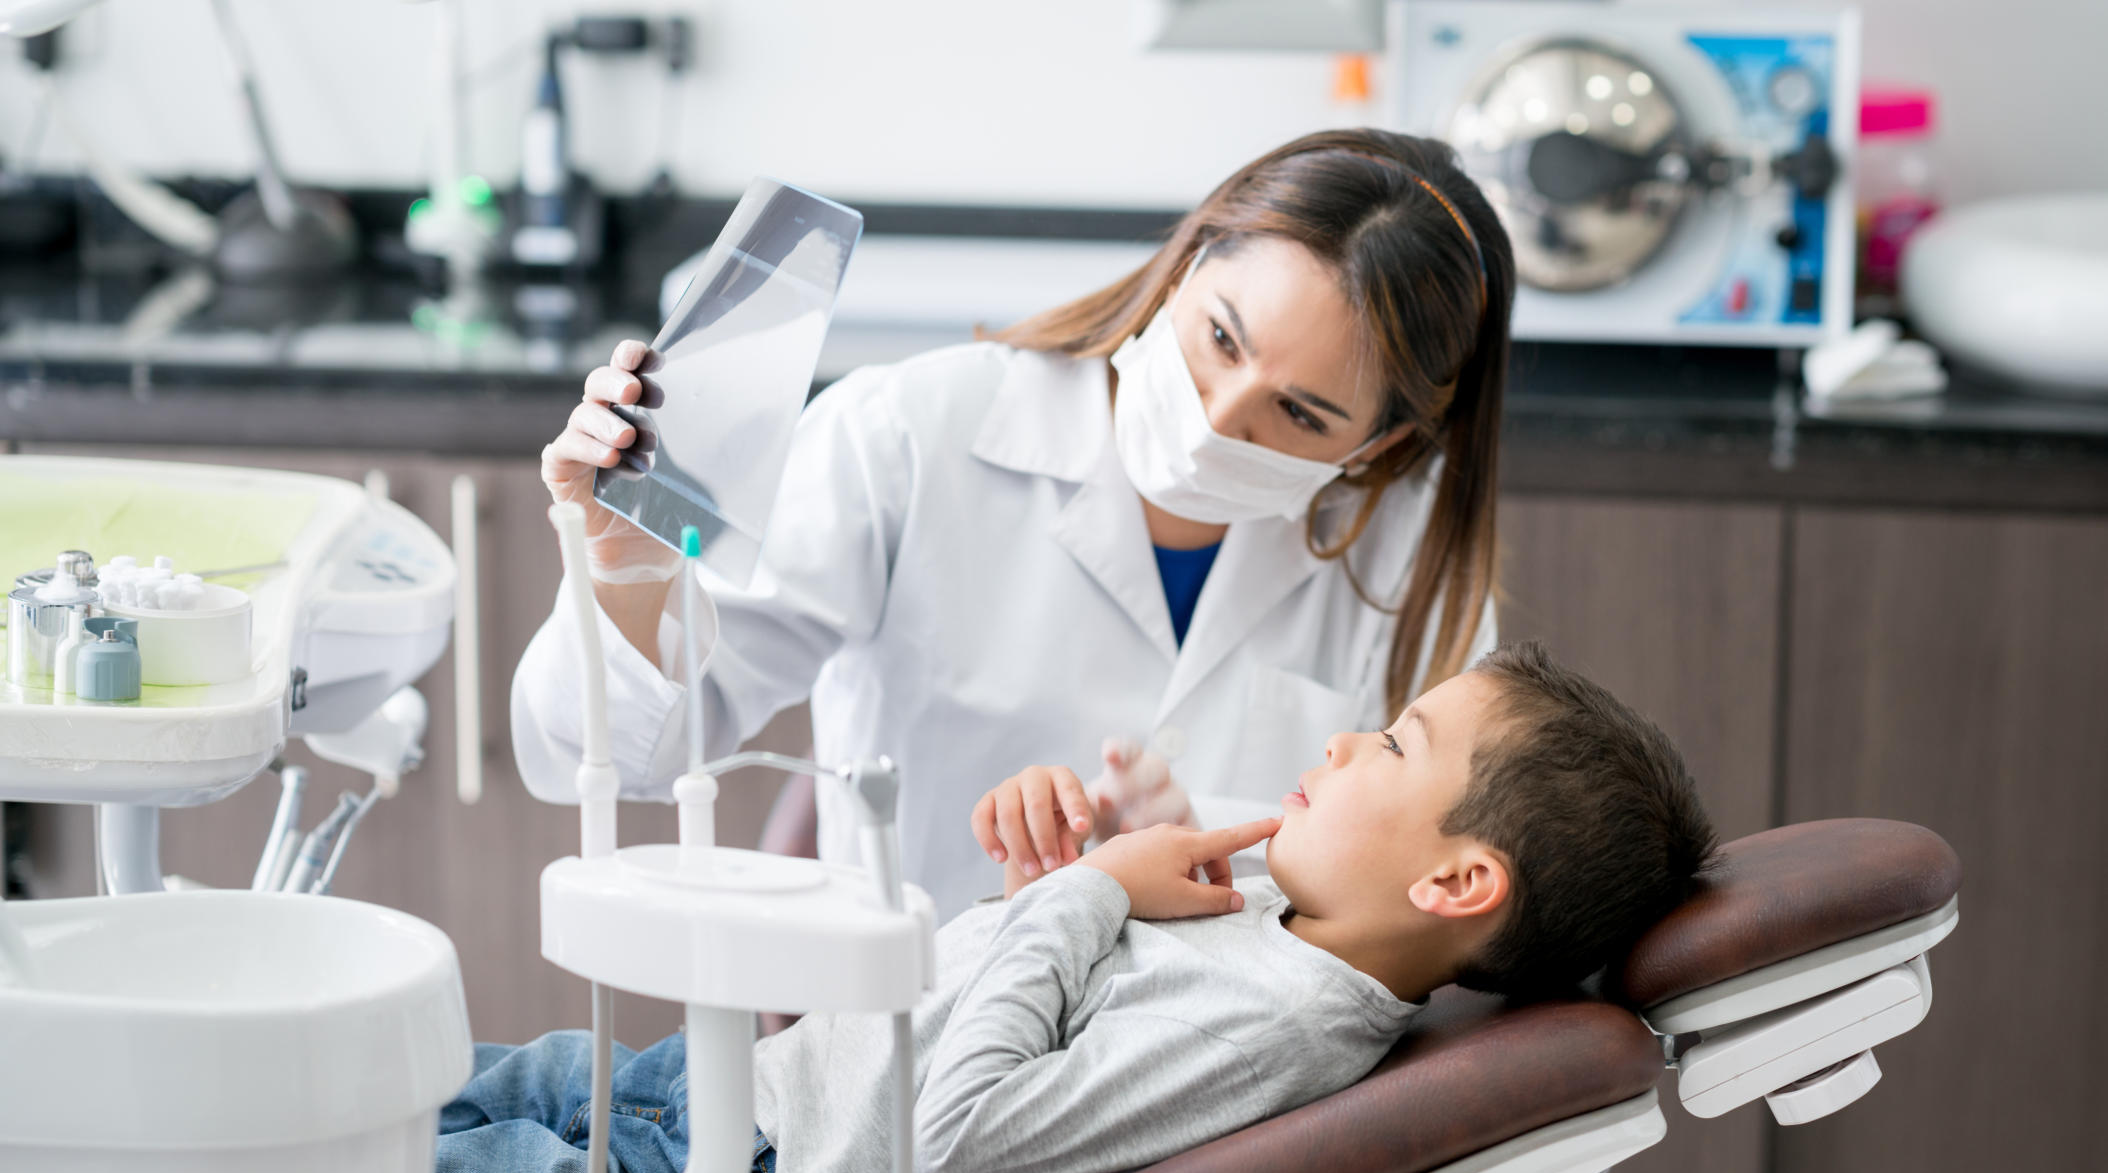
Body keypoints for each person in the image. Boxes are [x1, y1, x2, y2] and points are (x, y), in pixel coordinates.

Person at [512, 128, 1513, 924]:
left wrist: (1215, 854)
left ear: (1378, 447)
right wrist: (629, 573)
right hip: (925, 1059)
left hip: (1226, 1078)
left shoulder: (1407, 564)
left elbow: (1427, 901)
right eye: (1219, 337)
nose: (1218, 418)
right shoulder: (909, 431)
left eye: (1298, 415)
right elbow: (607, 760)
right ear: (1187, 261)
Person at [437, 641, 1717, 1173]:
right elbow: (1030, 1013)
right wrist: (1048, 883)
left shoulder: (1276, 1025)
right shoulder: (1277, 917)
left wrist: (1085, 895)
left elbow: (953, 1137)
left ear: (1453, 881)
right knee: (345, 1088)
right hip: (710, 1093)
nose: (1340, 743)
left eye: (1390, 746)